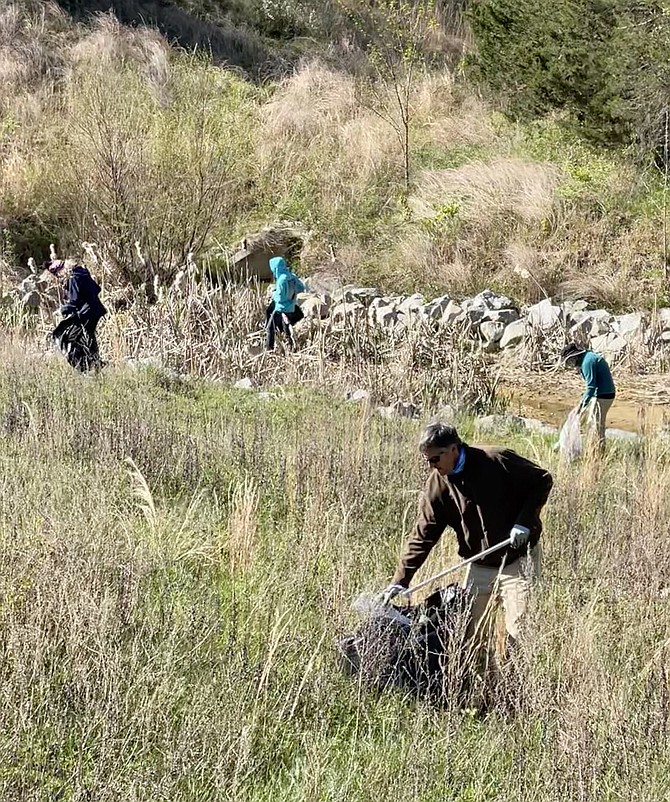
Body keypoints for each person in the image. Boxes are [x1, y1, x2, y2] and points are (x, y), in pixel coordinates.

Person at [382, 421, 553, 649]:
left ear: (454, 448)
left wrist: (525, 522)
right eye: (428, 461)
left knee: (518, 634)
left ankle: (513, 684)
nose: (433, 466)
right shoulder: (437, 484)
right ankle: (482, 683)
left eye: (436, 458)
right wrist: (400, 581)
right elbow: (424, 534)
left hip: (517, 562)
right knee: (471, 638)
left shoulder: (495, 459)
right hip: (479, 564)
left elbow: (542, 480)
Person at [45, 259, 107, 372]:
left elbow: (74, 301)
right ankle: (96, 364)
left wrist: (62, 310)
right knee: (88, 336)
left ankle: (84, 366)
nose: (58, 277)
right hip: (96, 310)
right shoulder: (81, 272)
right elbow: (97, 289)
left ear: (61, 271)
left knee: (70, 338)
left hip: (86, 312)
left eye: (57, 274)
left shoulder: (73, 278)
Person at [560, 343, 616, 448]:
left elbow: (591, 387)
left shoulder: (587, 362)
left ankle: (598, 451)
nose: (569, 365)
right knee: (594, 423)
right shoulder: (587, 358)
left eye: (569, 362)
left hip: (603, 395)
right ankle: (596, 449)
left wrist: (581, 406)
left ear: (574, 357)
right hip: (602, 394)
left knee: (595, 425)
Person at [265, 256, 305, 351]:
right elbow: (301, 288)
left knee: (270, 328)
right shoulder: (291, 276)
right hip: (291, 307)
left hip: (281, 308)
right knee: (286, 329)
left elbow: (280, 298)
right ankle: (290, 347)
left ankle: (268, 349)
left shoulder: (281, 280)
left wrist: (273, 294)